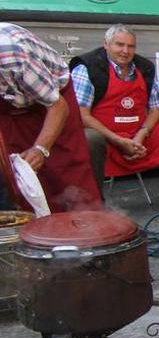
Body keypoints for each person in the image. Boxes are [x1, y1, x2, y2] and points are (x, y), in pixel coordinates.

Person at [70, 24, 159, 187]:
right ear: (106, 44)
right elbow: (82, 114)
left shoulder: (145, 67)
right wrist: (118, 141)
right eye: (119, 45)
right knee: (90, 139)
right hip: (106, 139)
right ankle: (95, 206)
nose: (125, 51)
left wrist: (141, 135)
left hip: (138, 136)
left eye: (131, 46)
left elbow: (156, 108)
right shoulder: (86, 68)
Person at [0, 22, 102, 212]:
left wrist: (41, 148)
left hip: (54, 99)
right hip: (11, 108)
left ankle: (86, 227)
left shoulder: (11, 53)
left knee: (65, 169)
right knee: (16, 171)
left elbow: (57, 105)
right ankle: (31, 230)